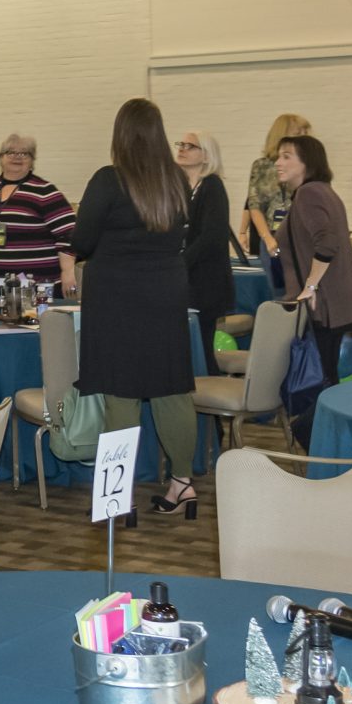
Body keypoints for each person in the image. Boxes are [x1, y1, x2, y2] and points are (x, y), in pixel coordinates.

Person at [74, 100, 199, 516]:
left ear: (121, 134)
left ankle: (118, 495)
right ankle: (182, 483)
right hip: (166, 293)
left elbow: (83, 240)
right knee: (172, 390)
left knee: (121, 394)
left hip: (115, 297)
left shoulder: (108, 180)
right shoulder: (177, 180)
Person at [273, 134, 352, 449]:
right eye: (278, 156)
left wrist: (310, 286)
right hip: (332, 304)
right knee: (326, 381)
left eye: (287, 156)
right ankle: (330, 449)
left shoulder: (309, 193)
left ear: (306, 162)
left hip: (323, 306)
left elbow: (327, 243)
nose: (278, 163)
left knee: (321, 385)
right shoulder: (321, 191)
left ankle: (324, 449)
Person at [0, 133, 78, 291]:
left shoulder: (45, 191)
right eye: (10, 152)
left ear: (32, 160)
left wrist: (68, 271)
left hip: (35, 287)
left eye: (24, 153)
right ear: (1, 158)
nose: (17, 157)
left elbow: (69, 235)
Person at [174, 128, 232, 370]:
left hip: (206, 282)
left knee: (203, 347)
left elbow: (212, 236)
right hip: (188, 278)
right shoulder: (183, 188)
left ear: (207, 155)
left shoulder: (212, 186)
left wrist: (180, 262)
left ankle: (209, 387)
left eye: (190, 146)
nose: (182, 149)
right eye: (180, 144)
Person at [241, 113, 311, 272]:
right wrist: (267, 238)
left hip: (300, 235)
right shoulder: (262, 166)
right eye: (298, 133)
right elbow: (254, 205)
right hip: (272, 236)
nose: (303, 138)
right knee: (277, 282)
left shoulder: (307, 166)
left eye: (305, 134)